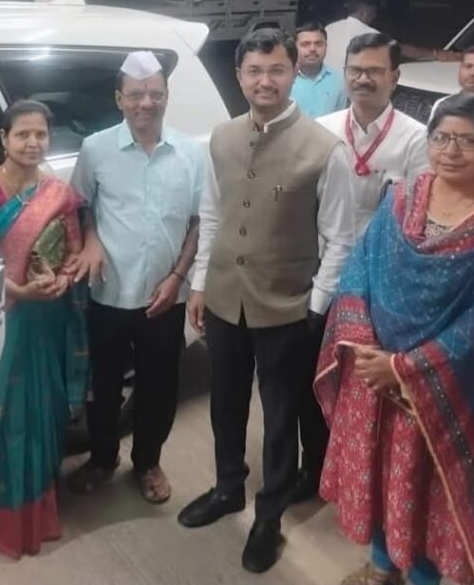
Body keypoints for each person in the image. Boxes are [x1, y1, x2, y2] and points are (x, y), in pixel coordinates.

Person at [317, 93, 474, 585]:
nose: (450, 151)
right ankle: (381, 567)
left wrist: (403, 369)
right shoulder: (403, 197)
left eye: (469, 141)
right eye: (441, 138)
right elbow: (361, 267)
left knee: (430, 493)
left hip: (444, 394)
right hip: (375, 381)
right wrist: (363, 345)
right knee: (382, 477)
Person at [178, 29, 355, 574]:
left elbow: (340, 238)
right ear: (239, 76)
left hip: (288, 307)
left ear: (293, 72)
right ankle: (228, 487)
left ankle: (269, 515)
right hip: (225, 298)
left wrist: (316, 307)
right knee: (226, 401)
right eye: (254, 71)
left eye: (276, 69)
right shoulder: (222, 138)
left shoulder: (325, 149)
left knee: (280, 416)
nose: (265, 81)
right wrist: (200, 284)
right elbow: (212, 214)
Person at [0, 99, 88, 559]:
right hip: (1, 316)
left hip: (45, 318)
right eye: (23, 134)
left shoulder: (58, 194)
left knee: (41, 409)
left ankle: (35, 504)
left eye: (41, 135)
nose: (33, 143)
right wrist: (16, 289)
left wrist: (63, 280)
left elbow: (73, 253)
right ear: (3, 138)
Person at [66, 51, 202, 504]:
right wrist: (90, 241)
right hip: (107, 293)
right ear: (119, 99)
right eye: (136, 94)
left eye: (154, 94)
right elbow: (79, 207)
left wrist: (178, 276)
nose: (146, 103)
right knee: (103, 389)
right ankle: (102, 459)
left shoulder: (190, 153)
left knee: (159, 389)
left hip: (165, 296)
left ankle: (148, 462)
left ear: (167, 96)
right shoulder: (96, 149)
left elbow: (200, 221)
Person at [318, 33, 429, 240]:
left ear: (394, 78)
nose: (362, 79)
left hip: (385, 252)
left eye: (374, 71)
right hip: (325, 252)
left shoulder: (417, 139)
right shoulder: (322, 130)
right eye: (355, 70)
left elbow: (418, 213)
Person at [324, 0, 456, 74]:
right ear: (363, 12)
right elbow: (401, 49)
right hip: (348, 84)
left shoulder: (329, 28)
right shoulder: (369, 33)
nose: (374, 17)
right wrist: (435, 54)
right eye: (372, 13)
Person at [290, 21, 348, 118]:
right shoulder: (286, 80)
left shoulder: (340, 80)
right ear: (294, 48)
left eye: (318, 44)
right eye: (305, 44)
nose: (312, 49)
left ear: (326, 46)